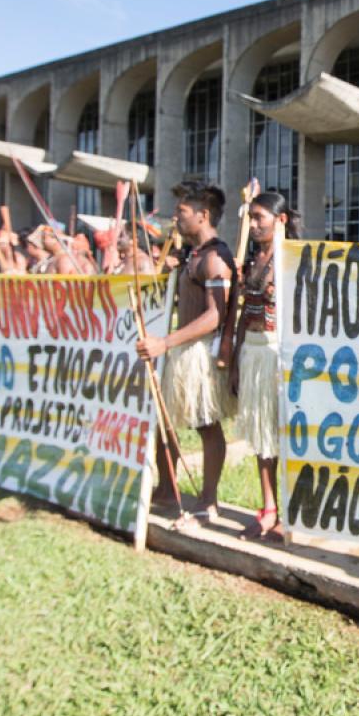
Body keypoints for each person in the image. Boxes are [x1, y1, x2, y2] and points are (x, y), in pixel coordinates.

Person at [135, 180, 236, 520]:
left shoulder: (216, 258)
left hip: (199, 351)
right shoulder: (192, 254)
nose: (175, 218)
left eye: (181, 211)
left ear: (203, 215)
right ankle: (167, 487)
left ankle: (208, 499)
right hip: (181, 348)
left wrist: (165, 342)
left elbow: (214, 315)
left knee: (206, 423)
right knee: (165, 418)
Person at [225, 190, 301, 540]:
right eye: (251, 218)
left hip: (279, 353)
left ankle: (290, 510)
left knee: (284, 435)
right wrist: (237, 358)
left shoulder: (293, 262)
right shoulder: (252, 261)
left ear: (280, 220)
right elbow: (242, 315)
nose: (254, 225)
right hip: (253, 352)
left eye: (261, 218)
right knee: (261, 434)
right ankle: (268, 506)